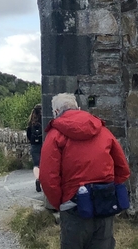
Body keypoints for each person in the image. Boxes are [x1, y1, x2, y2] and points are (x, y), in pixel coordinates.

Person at [39, 93, 130, 249]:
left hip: (73, 204)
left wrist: (61, 203)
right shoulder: (103, 131)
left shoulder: (55, 135)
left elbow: (48, 177)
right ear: (78, 108)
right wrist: (108, 189)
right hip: (104, 201)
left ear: (56, 112)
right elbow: (122, 168)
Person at [26, 104, 44, 193]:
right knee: (44, 164)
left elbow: (28, 135)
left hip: (34, 146)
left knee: (36, 165)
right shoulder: (43, 120)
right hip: (43, 145)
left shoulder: (31, 122)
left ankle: (37, 179)